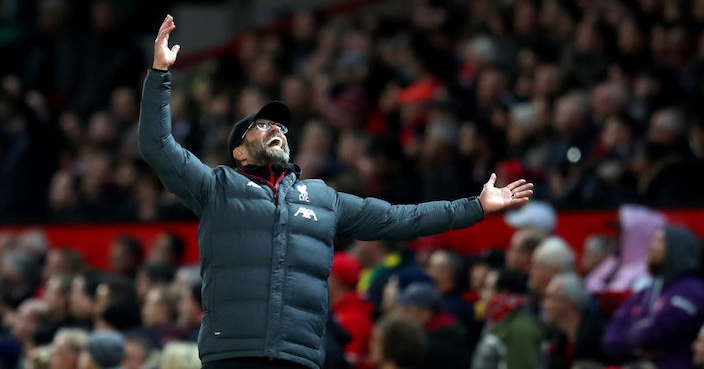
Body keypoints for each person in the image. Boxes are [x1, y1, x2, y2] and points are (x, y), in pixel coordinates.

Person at [138, 15, 534, 369]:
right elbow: (158, 145)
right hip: (232, 355)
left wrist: (476, 206)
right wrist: (160, 74)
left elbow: (400, 219)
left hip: (301, 356)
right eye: (262, 125)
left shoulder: (323, 197)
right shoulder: (217, 186)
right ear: (238, 151)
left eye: (281, 127)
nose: (275, 129)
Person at [602, 225, 704, 368]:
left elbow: (654, 335)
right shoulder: (648, 290)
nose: (651, 246)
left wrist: (633, 335)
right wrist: (637, 342)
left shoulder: (690, 289)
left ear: (678, 248)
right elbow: (610, 339)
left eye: (659, 241)